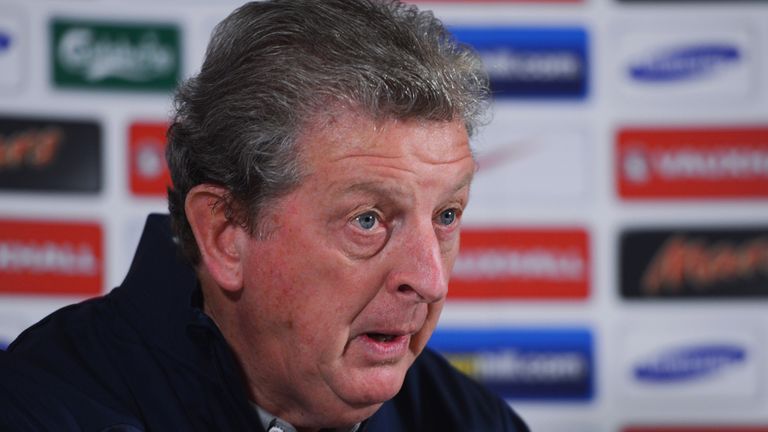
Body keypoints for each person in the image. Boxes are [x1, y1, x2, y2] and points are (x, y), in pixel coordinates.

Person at [0, 1, 529, 431]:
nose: (430, 280)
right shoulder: (40, 409)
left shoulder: (469, 420)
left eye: (446, 215)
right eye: (368, 220)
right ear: (226, 233)